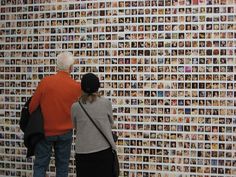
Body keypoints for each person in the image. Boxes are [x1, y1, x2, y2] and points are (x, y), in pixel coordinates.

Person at [29, 52, 81, 177]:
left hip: (45, 132)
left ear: (57, 66)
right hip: (65, 133)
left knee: (40, 166)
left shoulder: (46, 82)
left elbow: (32, 107)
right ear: (71, 68)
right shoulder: (76, 86)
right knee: (62, 168)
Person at [71, 73, 116, 177]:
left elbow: (75, 126)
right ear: (97, 87)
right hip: (103, 149)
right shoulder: (105, 103)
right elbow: (111, 123)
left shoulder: (75, 107)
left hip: (83, 152)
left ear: (82, 87)